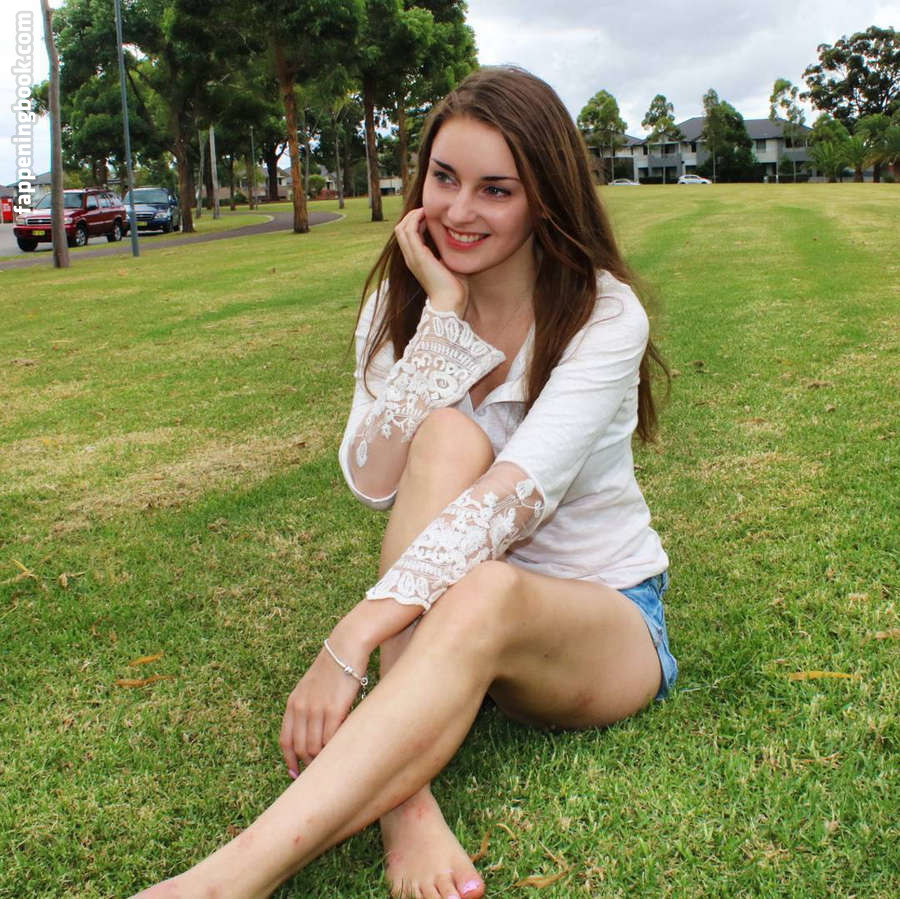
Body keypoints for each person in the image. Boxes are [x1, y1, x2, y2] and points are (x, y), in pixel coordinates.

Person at [134, 65, 677, 899]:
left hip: (602, 620)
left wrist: (351, 637)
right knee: (448, 436)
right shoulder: (405, 305)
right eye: (444, 178)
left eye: (496, 190)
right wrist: (443, 320)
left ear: (545, 199)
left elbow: (509, 501)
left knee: (489, 584)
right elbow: (371, 477)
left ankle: (226, 880)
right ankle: (406, 801)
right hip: (449, 622)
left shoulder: (604, 313)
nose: (459, 211)